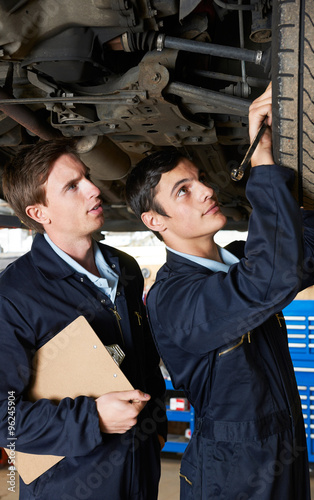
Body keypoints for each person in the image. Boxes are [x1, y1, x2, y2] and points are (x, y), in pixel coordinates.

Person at [125, 83, 314, 499]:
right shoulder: (173, 298)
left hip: (284, 446)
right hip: (231, 472)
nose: (206, 190)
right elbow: (270, 277)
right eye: (183, 191)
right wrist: (262, 162)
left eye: (199, 180)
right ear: (154, 221)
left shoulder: (238, 260)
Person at [0, 139, 167, 500]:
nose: (94, 189)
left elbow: (144, 360)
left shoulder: (126, 268)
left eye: (87, 177)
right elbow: (5, 418)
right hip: (68, 485)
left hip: (139, 472)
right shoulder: (14, 294)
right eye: (72, 186)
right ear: (39, 213)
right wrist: (91, 419)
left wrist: (157, 427)